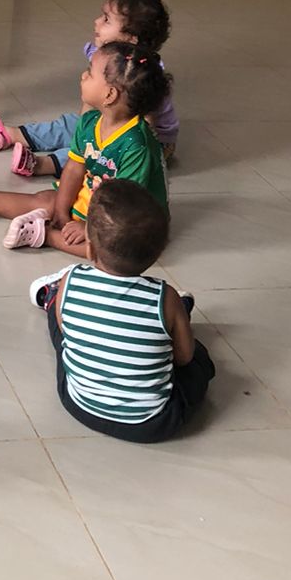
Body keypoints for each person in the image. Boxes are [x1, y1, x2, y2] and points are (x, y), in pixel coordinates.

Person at [0, 40, 168, 251]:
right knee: (47, 200)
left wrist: (88, 227)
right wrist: (61, 210)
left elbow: (125, 205)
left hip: (132, 219)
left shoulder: (136, 145)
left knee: (108, 246)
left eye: (90, 73)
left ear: (109, 95)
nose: (83, 75)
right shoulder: (89, 122)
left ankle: (46, 236)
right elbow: (74, 168)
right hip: (100, 196)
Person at [31, 178, 214, 442]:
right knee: (200, 359)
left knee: (62, 333)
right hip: (153, 424)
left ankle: (49, 297)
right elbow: (184, 358)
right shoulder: (166, 297)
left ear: (89, 248)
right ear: (157, 254)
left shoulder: (71, 280)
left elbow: (63, 328)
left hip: (78, 404)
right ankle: (175, 319)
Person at [0, 0, 179, 171]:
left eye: (106, 20)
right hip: (109, 119)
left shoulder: (145, 74)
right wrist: (83, 127)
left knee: (97, 151)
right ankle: (10, 135)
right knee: (72, 125)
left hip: (144, 141)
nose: (96, 22)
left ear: (131, 39)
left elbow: (146, 125)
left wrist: (143, 157)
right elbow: (88, 106)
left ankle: (41, 164)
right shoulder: (103, 56)